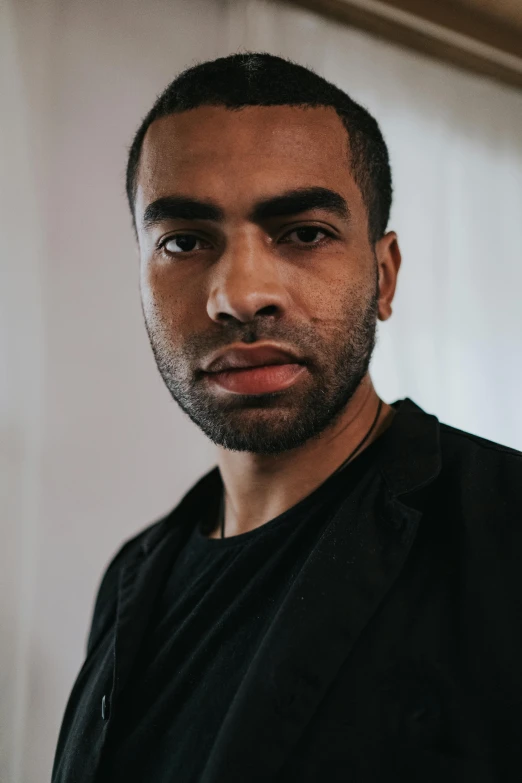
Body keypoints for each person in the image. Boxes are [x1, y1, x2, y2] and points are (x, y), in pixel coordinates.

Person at [51, 52, 521, 783]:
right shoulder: (131, 579)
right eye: (183, 240)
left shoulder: (506, 533)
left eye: (303, 233)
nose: (239, 294)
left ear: (384, 275)